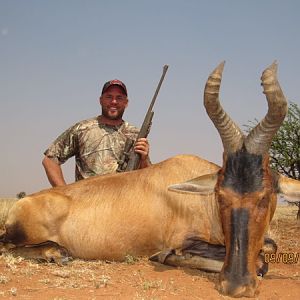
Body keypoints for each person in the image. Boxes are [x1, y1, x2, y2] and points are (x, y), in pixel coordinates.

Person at [42, 79, 151, 187]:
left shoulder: (136, 134)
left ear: (126, 103)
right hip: (87, 202)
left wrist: (144, 159)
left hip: (122, 201)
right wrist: (65, 195)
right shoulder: (82, 129)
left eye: (119, 98)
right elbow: (50, 160)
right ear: (101, 100)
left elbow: (147, 176)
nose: (114, 101)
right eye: (109, 97)